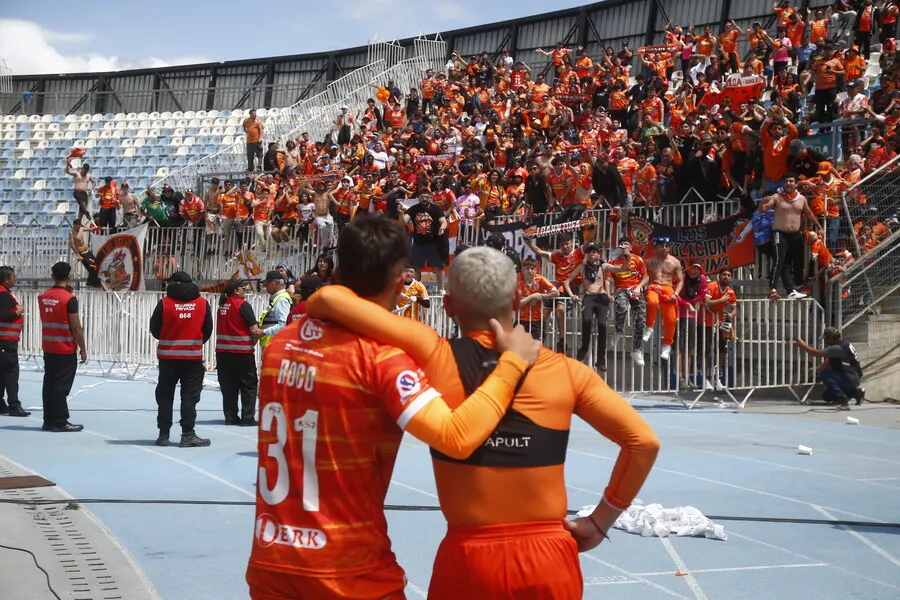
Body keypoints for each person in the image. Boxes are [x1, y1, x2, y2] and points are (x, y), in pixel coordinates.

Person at [308, 248, 660, 600]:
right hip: (548, 556)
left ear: (447, 306)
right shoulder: (565, 371)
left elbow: (325, 297)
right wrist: (601, 520)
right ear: (519, 297)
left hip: (469, 557)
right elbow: (643, 442)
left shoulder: (431, 351)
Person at [246, 215, 542, 600]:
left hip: (270, 561)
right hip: (347, 569)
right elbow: (456, 437)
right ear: (401, 278)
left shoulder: (281, 345)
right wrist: (513, 364)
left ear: (336, 270)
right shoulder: (382, 359)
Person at [149, 271, 213, 448]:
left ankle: (163, 434)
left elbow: (154, 329)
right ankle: (187, 434)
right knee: (189, 397)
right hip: (192, 358)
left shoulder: (164, 303)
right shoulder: (202, 304)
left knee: (164, 396)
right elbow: (207, 330)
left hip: (168, 358)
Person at [38, 262, 86, 432]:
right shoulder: (69, 299)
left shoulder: (43, 297)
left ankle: (48, 419)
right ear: (69, 276)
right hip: (64, 347)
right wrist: (83, 348)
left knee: (49, 382)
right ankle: (59, 420)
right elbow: (76, 326)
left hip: (48, 346)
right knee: (61, 386)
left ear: (52, 276)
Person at [760, 174, 822, 300]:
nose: (788, 183)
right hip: (780, 234)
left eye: (791, 181)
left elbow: (809, 213)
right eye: (786, 181)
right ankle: (772, 290)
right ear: (784, 183)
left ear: (795, 184)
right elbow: (764, 209)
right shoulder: (777, 197)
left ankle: (793, 289)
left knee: (798, 261)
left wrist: (819, 226)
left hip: (795, 235)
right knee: (779, 261)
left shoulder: (801, 199)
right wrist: (762, 203)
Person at [565, 243, 624, 372]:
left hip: (601, 297)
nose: (591, 254)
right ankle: (583, 349)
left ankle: (601, 360)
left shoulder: (603, 266)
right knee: (586, 322)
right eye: (589, 252)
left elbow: (620, 269)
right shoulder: (581, 267)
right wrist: (572, 295)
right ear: (587, 254)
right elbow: (566, 281)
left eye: (594, 252)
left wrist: (626, 257)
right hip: (589, 297)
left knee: (602, 326)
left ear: (598, 254)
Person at [215, 280, 263, 426]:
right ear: (236, 290)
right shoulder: (243, 305)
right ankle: (247, 418)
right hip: (242, 352)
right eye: (243, 288)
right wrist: (260, 335)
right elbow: (254, 330)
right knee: (249, 385)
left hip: (223, 352)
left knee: (228, 385)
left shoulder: (222, 306)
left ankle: (230, 416)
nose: (245, 291)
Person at [795, 327, 865, 409]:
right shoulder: (845, 343)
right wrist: (816, 369)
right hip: (853, 376)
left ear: (831, 338)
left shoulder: (837, 348)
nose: (826, 341)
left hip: (850, 377)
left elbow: (816, 353)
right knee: (827, 397)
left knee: (824, 374)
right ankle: (856, 393)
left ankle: (843, 400)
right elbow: (830, 362)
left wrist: (802, 345)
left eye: (826, 339)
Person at [607, 238, 649, 366]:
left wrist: (638, 288)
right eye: (622, 244)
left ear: (631, 247)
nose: (624, 246)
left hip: (635, 290)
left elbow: (646, 277)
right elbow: (608, 280)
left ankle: (636, 350)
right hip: (621, 290)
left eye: (627, 244)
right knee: (622, 306)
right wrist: (608, 293)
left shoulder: (638, 259)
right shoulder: (613, 259)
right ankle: (618, 331)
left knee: (641, 318)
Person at [643, 237, 684, 361]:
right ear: (655, 248)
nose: (664, 248)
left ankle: (667, 345)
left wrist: (675, 294)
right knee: (652, 302)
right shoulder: (649, 261)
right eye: (661, 245)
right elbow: (644, 277)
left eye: (666, 245)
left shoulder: (675, 262)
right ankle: (649, 327)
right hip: (653, 286)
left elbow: (681, 280)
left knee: (671, 320)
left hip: (668, 288)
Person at [0, 267, 29, 417]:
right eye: (13, 277)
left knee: (2, 372)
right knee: (11, 373)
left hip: (4, 341)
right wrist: (18, 311)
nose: (15, 279)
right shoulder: (3, 295)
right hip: (6, 340)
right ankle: (14, 405)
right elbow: (4, 315)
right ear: (6, 279)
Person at [515, 257, 558, 341]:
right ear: (523, 269)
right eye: (527, 268)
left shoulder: (540, 279)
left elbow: (556, 292)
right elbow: (516, 304)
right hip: (521, 320)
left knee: (538, 348)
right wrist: (532, 297)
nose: (530, 271)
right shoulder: (517, 281)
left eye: (532, 268)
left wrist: (540, 296)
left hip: (537, 320)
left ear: (536, 270)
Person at [257, 270, 293, 349]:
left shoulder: (281, 299)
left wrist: (263, 332)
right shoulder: (277, 299)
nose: (265, 286)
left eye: (267, 284)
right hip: (273, 346)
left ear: (275, 283)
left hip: (276, 346)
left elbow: (283, 325)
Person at [65, 160, 93, 225]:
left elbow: (93, 181)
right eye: (84, 171)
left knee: (81, 210)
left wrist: (93, 186)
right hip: (77, 192)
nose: (84, 173)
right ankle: (87, 213)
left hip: (84, 193)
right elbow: (67, 171)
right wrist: (67, 165)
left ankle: (78, 222)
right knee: (82, 201)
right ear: (82, 169)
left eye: (86, 171)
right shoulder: (76, 173)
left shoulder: (88, 176)